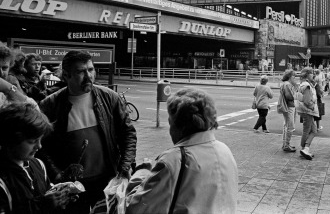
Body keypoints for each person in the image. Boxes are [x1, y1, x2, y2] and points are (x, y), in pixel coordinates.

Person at [38, 50, 137, 214]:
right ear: (66, 75)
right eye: (80, 72)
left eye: (90, 70)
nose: (89, 76)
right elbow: (42, 146)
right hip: (73, 187)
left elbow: (128, 134)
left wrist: (125, 165)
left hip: (107, 180)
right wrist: (57, 175)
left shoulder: (110, 98)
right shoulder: (50, 105)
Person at [125, 88, 238, 214]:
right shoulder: (224, 150)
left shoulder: (173, 160)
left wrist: (142, 172)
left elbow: (135, 208)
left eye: (170, 122)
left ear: (178, 125)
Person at [0, 103, 71, 214]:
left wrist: (61, 198)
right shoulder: (3, 181)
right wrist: (41, 206)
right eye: (32, 141)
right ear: (11, 140)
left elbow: (48, 191)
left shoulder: (38, 165)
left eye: (40, 140)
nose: (39, 146)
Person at [295, 67, 318, 160]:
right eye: (312, 73)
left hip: (305, 110)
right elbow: (307, 101)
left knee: (312, 130)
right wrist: (313, 106)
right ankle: (305, 149)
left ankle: (305, 149)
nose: (313, 75)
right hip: (308, 111)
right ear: (307, 75)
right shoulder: (307, 86)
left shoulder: (303, 84)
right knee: (309, 130)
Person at [280, 70, 299, 152]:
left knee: (286, 126)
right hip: (289, 106)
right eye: (294, 76)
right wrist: (296, 91)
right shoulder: (287, 84)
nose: (295, 77)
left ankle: (285, 144)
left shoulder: (286, 84)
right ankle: (286, 145)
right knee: (290, 126)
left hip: (288, 106)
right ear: (290, 77)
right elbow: (290, 96)